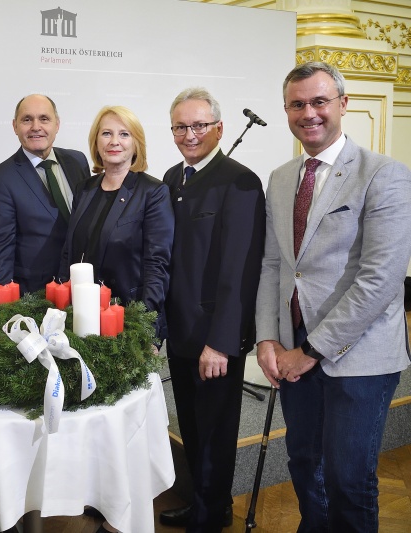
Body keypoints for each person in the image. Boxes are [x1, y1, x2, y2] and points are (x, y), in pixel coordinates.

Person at [255, 61, 411, 533]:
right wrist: (267, 338)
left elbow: (379, 280)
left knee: (348, 480)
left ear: (343, 104)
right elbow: (273, 264)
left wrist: (309, 351)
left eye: (319, 101)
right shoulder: (282, 177)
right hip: (292, 348)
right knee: (305, 464)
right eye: (297, 104)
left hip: (359, 355)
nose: (309, 113)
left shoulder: (384, 174)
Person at [159, 89, 265, 532]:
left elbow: (241, 270)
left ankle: (209, 518)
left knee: (216, 436)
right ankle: (208, 505)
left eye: (199, 125)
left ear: (219, 129)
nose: (190, 134)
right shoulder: (172, 177)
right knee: (192, 429)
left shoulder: (240, 182)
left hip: (214, 339)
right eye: (181, 127)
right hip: (181, 333)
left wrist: (221, 343)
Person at [59, 106, 173, 344]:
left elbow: (157, 265)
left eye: (124, 134)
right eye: (106, 133)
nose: (114, 141)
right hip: (80, 318)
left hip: (128, 321)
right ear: (96, 142)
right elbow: (70, 251)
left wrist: (147, 330)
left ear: (136, 143)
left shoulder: (153, 192)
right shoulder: (84, 189)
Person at [0, 94, 90, 294]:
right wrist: (6, 302)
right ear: (15, 126)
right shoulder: (1, 178)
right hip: (35, 294)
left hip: (83, 286)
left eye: (44, 119)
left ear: (57, 124)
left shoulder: (77, 161)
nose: (36, 127)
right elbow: (0, 249)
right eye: (27, 120)